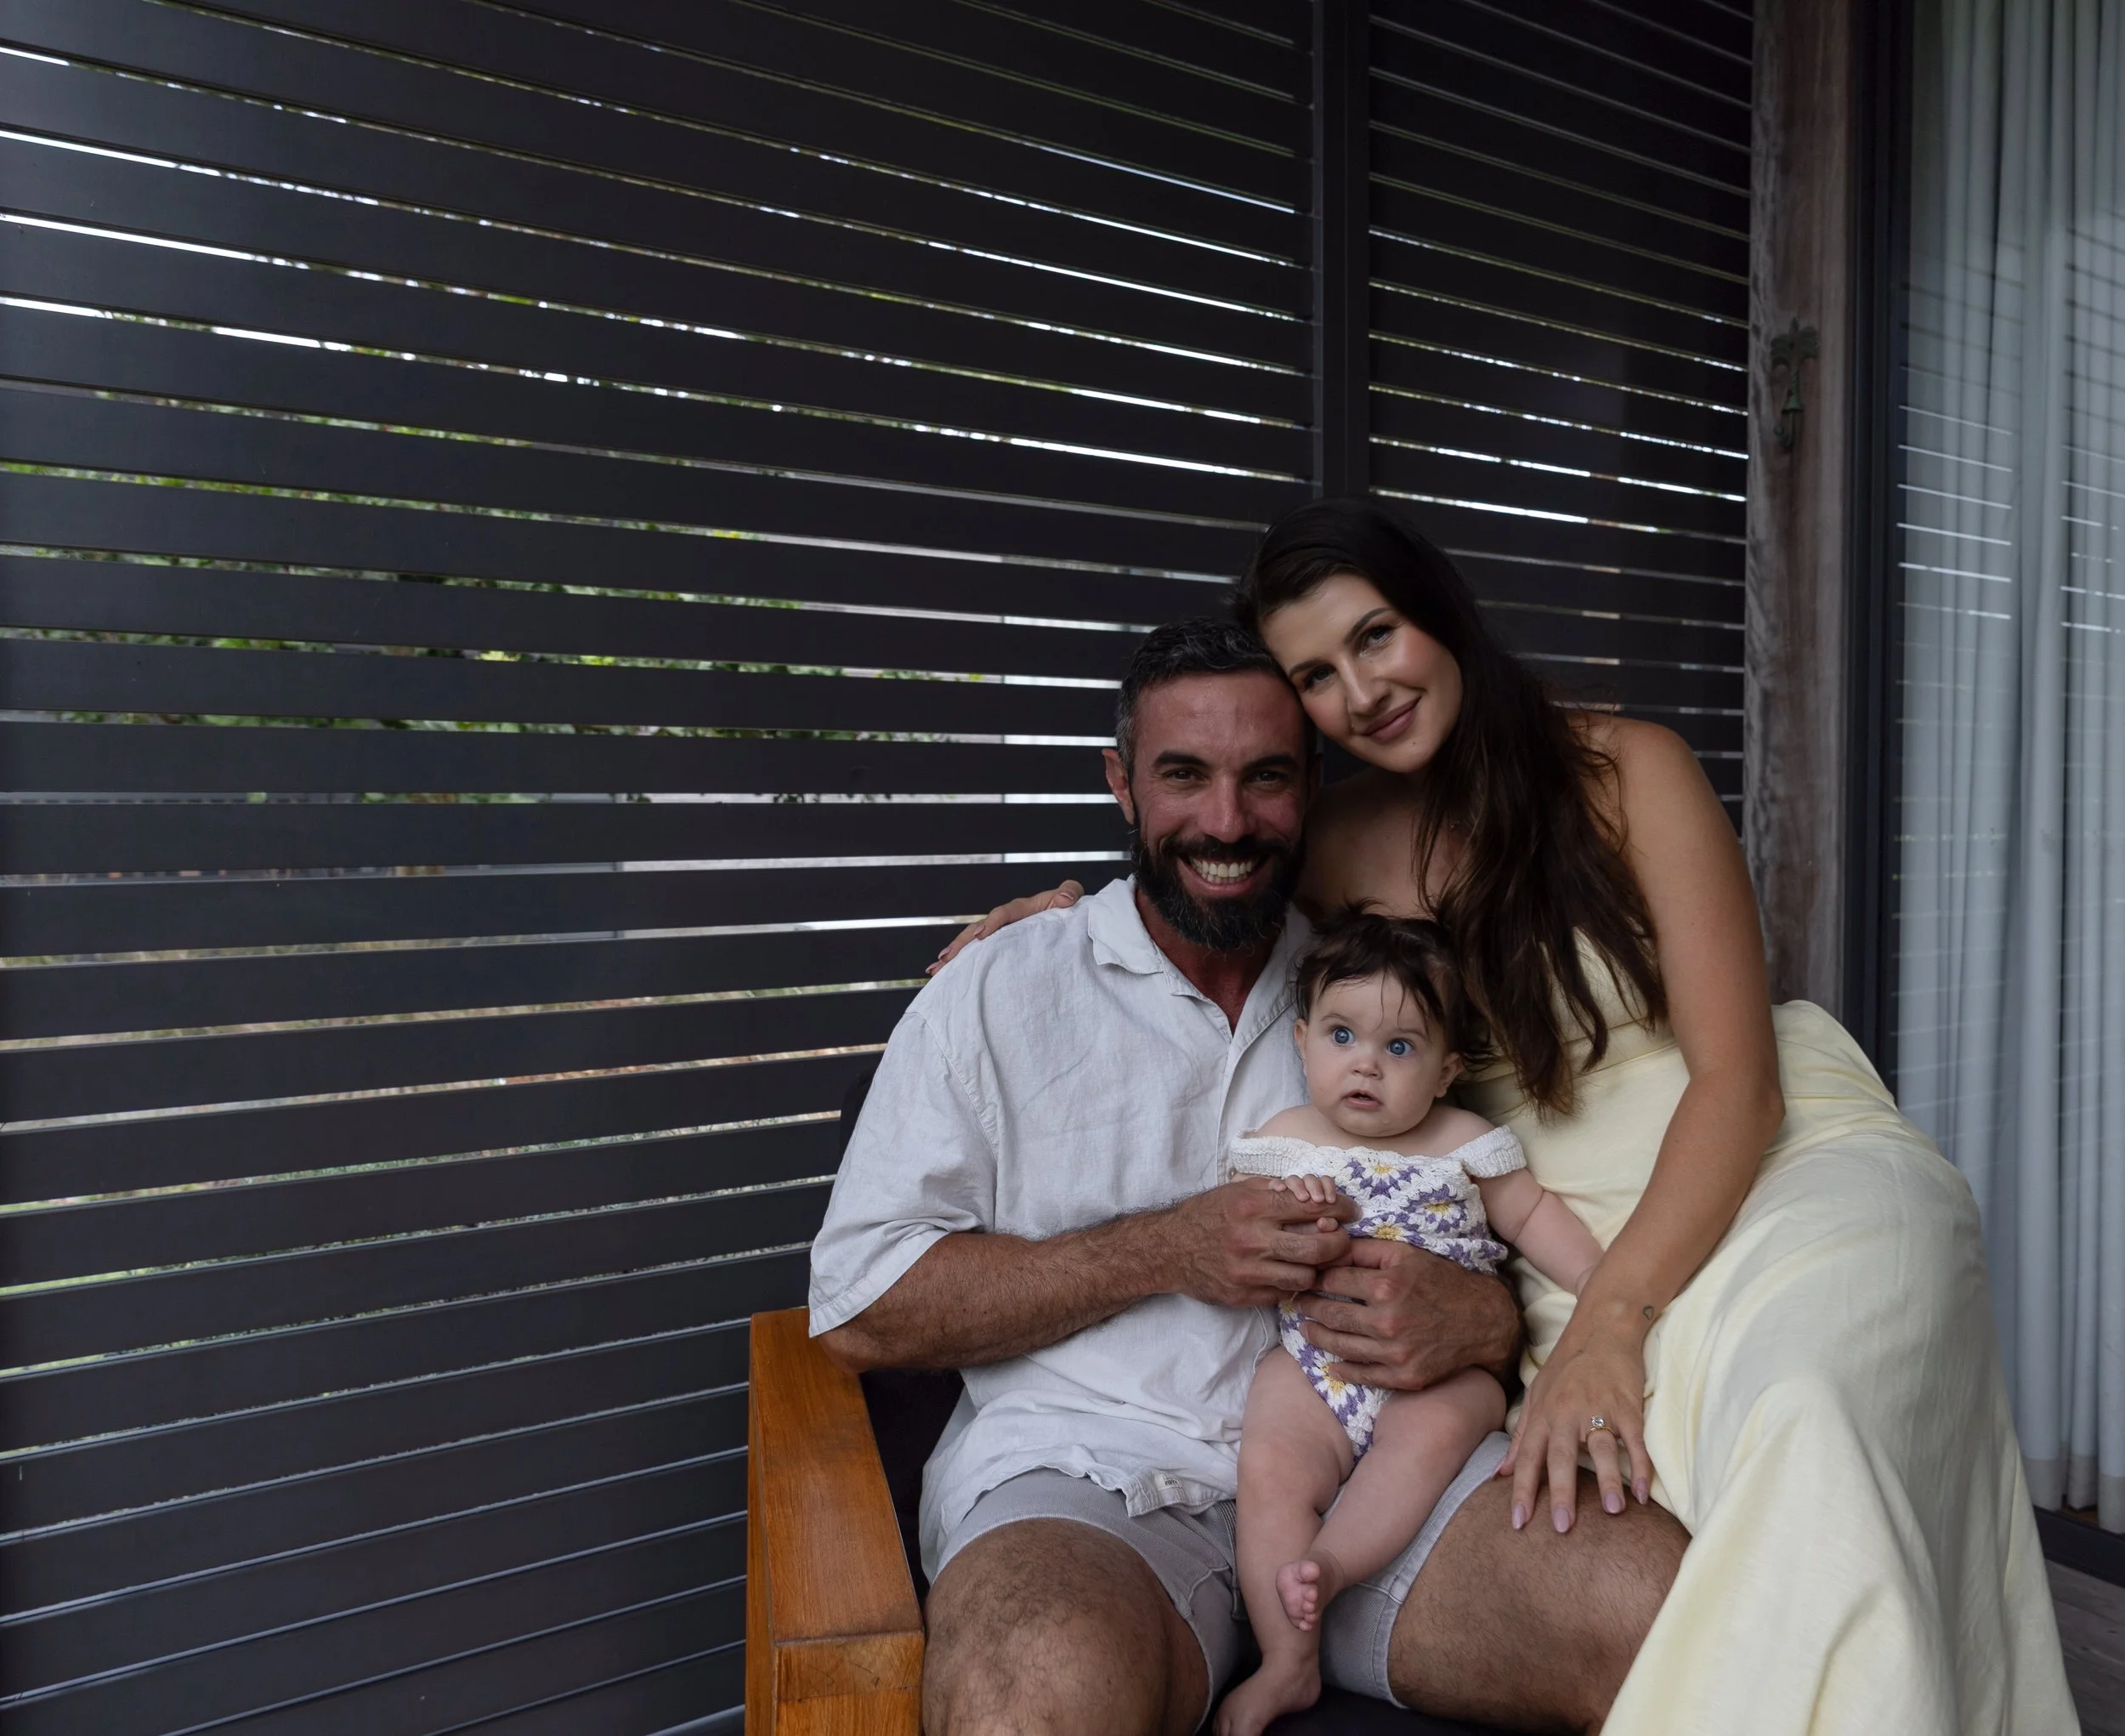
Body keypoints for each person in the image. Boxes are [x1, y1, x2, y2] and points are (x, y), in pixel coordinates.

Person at [939, 500, 2077, 1733]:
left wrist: (1609, 1326)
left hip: (1769, 1166)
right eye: (1316, 675)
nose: (1360, 690)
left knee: (1801, 1402)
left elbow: (1737, 1081)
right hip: (1551, 1219)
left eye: (1376, 636)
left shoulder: (1629, 766)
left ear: (1436, 611)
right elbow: (1199, 876)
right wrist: (1056, 920)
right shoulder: (1329, 845)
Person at [810, 616, 1684, 1736]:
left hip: (1380, 1478)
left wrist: (1475, 1321)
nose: (1227, 821)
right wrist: (1162, 1246)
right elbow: (862, 1304)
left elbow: (1496, 1204)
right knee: (1029, 1694)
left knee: (1659, 1607)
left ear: (1311, 783)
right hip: (1093, 1483)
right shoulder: (997, 994)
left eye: (1265, 777)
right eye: (1185, 775)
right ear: (1122, 785)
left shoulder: (1379, 989)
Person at [1217, 909, 1606, 1736]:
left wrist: (1606, 1288)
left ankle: (1331, 1562)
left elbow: (1533, 1218)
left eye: (1399, 1046)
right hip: (1315, 1360)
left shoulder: (1466, 1142)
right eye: (1341, 1033)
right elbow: (1238, 1235)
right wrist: (1295, 1216)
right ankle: (1285, 1661)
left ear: (1444, 1069)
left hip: (1440, 1370)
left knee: (1439, 1426)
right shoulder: (1286, 1144)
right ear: (1300, 1040)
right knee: (1272, 1461)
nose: (1365, 1061)